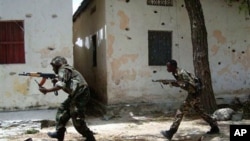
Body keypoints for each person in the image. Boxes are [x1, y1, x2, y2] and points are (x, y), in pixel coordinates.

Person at [39, 56, 96, 141]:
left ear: (58, 64)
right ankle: (59, 133)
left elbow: (61, 85)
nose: (53, 69)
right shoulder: (66, 70)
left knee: (76, 117)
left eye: (53, 66)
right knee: (62, 110)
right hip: (76, 94)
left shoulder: (63, 69)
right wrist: (57, 82)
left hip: (80, 94)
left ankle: (89, 137)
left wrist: (47, 90)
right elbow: (66, 86)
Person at [160, 59, 219, 140]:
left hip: (194, 93)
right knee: (201, 112)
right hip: (194, 94)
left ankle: (171, 132)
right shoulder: (176, 73)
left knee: (180, 112)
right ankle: (215, 127)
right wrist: (172, 83)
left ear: (173, 67)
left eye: (168, 67)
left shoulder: (181, 73)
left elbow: (191, 85)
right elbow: (182, 83)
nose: (167, 68)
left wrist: (176, 83)